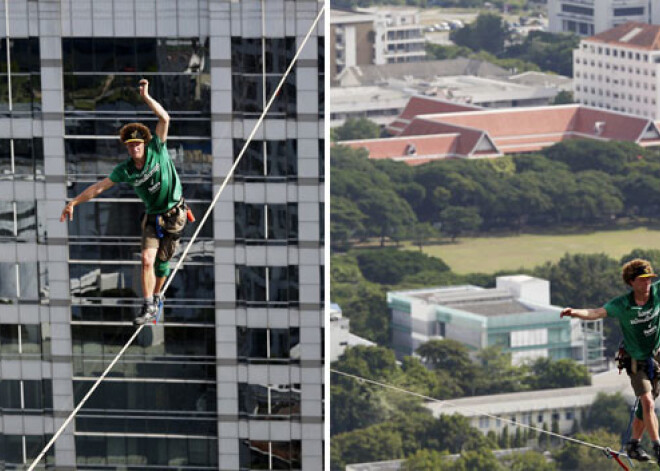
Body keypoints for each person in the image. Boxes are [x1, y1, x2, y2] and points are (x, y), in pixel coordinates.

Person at [60, 79, 187, 326]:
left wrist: (147, 98)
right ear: (127, 149)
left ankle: (158, 296)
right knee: (146, 260)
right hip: (153, 216)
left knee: (162, 265)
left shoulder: (157, 149)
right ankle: (148, 304)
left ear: (144, 143)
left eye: (138, 144)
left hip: (174, 214)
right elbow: (99, 187)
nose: (135, 149)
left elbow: (165, 119)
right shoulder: (126, 170)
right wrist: (74, 202)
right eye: (131, 146)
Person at [561, 258, 660, 463]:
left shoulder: (657, 293)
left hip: (656, 356)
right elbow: (596, 312)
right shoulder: (622, 304)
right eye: (642, 280)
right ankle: (658, 447)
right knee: (648, 403)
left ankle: (633, 443)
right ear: (631, 282)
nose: (647, 283)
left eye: (649, 279)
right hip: (636, 360)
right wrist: (575, 312)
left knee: (645, 408)